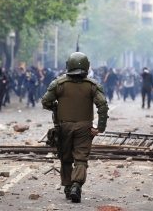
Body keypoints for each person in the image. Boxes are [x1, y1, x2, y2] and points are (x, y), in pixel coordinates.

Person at [42, 52, 109, 203]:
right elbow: (103, 106)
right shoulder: (92, 86)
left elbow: (45, 101)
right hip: (85, 128)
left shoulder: (58, 84)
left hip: (63, 126)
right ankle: (76, 185)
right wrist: (100, 127)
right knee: (81, 158)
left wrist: (56, 107)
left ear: (68, 65)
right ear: (87, 66)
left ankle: (67, 187)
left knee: (65, 158)